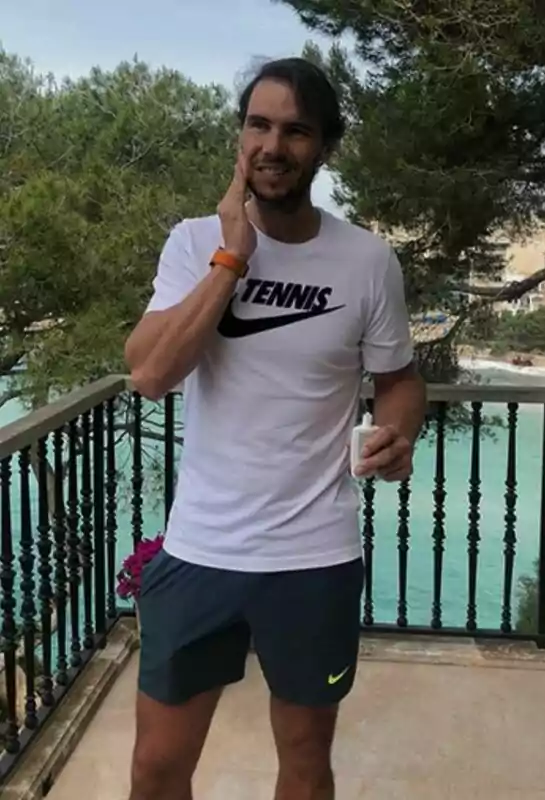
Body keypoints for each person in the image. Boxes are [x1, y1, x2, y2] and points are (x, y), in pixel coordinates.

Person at [122, 57, 427, 800]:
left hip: (313, 555)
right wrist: (232, 258)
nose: (273, 144)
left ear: (325, 147)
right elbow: (150, 374)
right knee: (158, 766)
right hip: (201, 548)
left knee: (303, 757)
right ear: (240, 138)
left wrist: (399, 432)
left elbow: (398, 381)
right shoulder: (195, 244)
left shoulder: (366, 260)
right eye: (258, 124)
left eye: (296, 130)